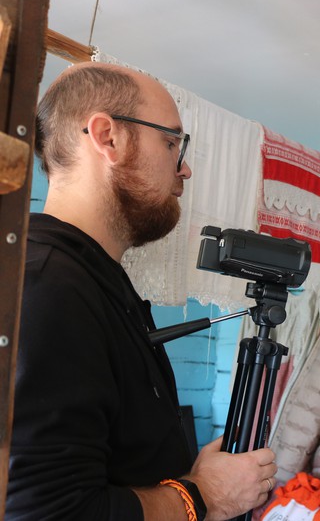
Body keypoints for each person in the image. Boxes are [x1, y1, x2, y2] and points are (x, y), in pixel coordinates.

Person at [8, 62, 277, 520]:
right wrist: (203, 495)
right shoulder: (47, 287)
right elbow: (49, 513)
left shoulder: (95, 278)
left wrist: (193, 483)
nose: (184, 168)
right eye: (171, 142)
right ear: (107, 137)